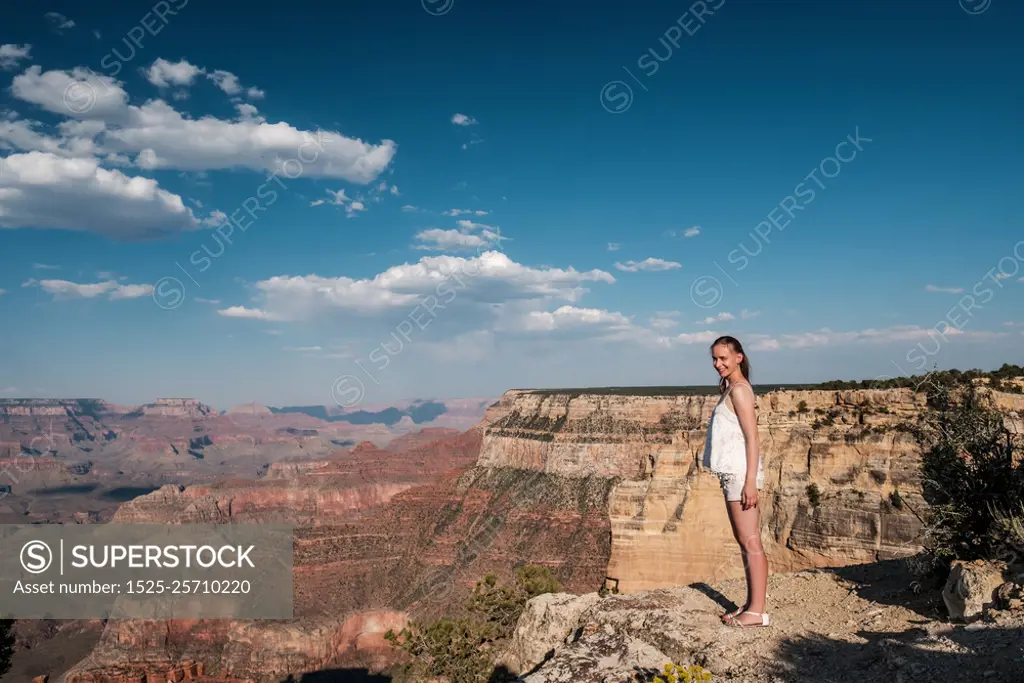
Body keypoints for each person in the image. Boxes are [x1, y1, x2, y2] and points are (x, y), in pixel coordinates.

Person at [702, 335, 769, 627]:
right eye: (715, 359)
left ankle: (757, 611)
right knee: (745, 541)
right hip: (734, 474)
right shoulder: (731, 388)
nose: (718, 364)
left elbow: (753, 438)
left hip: (742, 474)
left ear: (738, 357)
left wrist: (750, 481)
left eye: (723, 358)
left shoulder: (741, 390)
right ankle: (751, 604)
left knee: (751, 540)